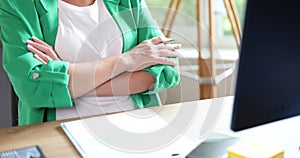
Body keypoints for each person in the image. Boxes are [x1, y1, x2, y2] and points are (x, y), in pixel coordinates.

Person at [0, 0, 181, 126]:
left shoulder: (129, 1)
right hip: (59, 133)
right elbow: (31, 88)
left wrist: (66, 78)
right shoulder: (16, 4)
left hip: (133, 125)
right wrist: (127, 59)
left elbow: (167, 68)